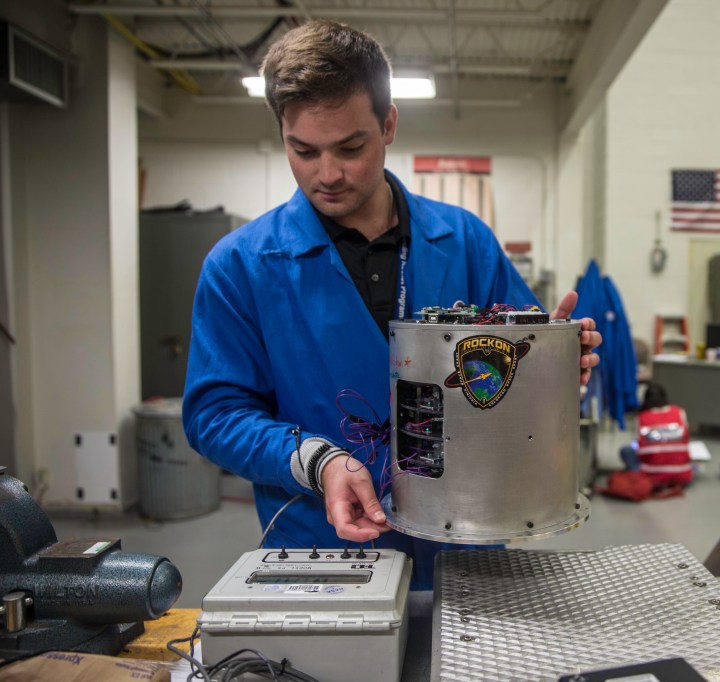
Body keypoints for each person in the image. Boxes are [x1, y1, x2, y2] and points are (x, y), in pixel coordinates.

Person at [182, 20, 601, 590]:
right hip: (327, 545)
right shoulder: (241, 266)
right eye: (303, 150)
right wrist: (316, 460)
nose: (326, 174)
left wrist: (552, 367)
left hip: (469, 539)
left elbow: (514, 370)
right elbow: (215, 414)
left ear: (389, 124)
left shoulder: (465, 241)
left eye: (351, 148)